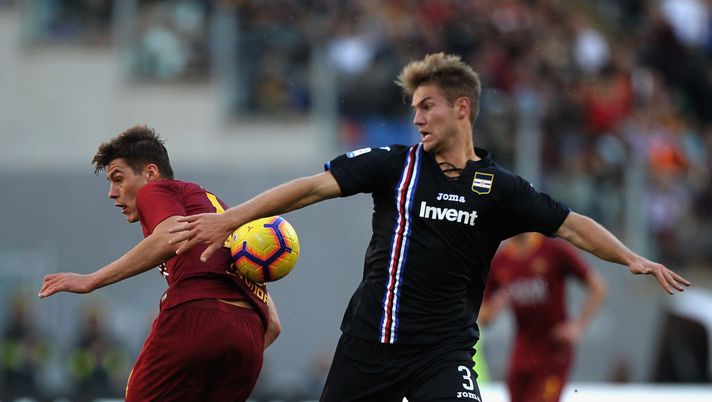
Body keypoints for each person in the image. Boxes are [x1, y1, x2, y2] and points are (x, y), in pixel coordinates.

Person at [168, 52, 690, 402]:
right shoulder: (393, 165)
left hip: (443, 353)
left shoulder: (500, 188)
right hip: (369, 344)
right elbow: (309, 188)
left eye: (427, 106)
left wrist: (631, 257)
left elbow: (572, 226)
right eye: (414, 108)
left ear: (461, 108)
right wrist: (231, 219)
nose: (417, 118)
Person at [37, 126, 282, 402]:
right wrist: (225, 352)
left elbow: (168, 237)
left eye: (118, 179)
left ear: (150, 173)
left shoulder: (157, 190)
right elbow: (273, 324)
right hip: (249, 336)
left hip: (195, 318)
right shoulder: (217, 212)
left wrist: (91, 280)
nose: (112, 193)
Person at [478, 232, 607, 402]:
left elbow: (598, 287)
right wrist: (495, 307)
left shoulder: (554, 250)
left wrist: (578, 326)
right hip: (522, 352)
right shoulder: (500, 262)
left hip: (554, 351)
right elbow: (483, 318)